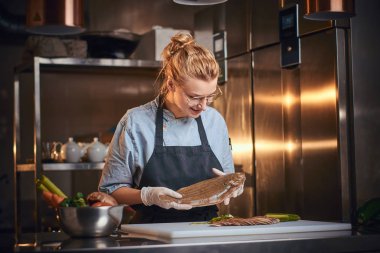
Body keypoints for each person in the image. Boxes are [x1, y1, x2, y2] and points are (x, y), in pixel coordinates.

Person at [98, 33, 243, 223]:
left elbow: (226, 179)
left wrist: (232, 185)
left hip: (207, 230)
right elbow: (111, 190)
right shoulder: (136, 122)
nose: (204, 106)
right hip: (151, 234)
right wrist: (147, 196)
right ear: (171, 84)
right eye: (195, 97)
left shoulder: (214, 121)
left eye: (210, 96)